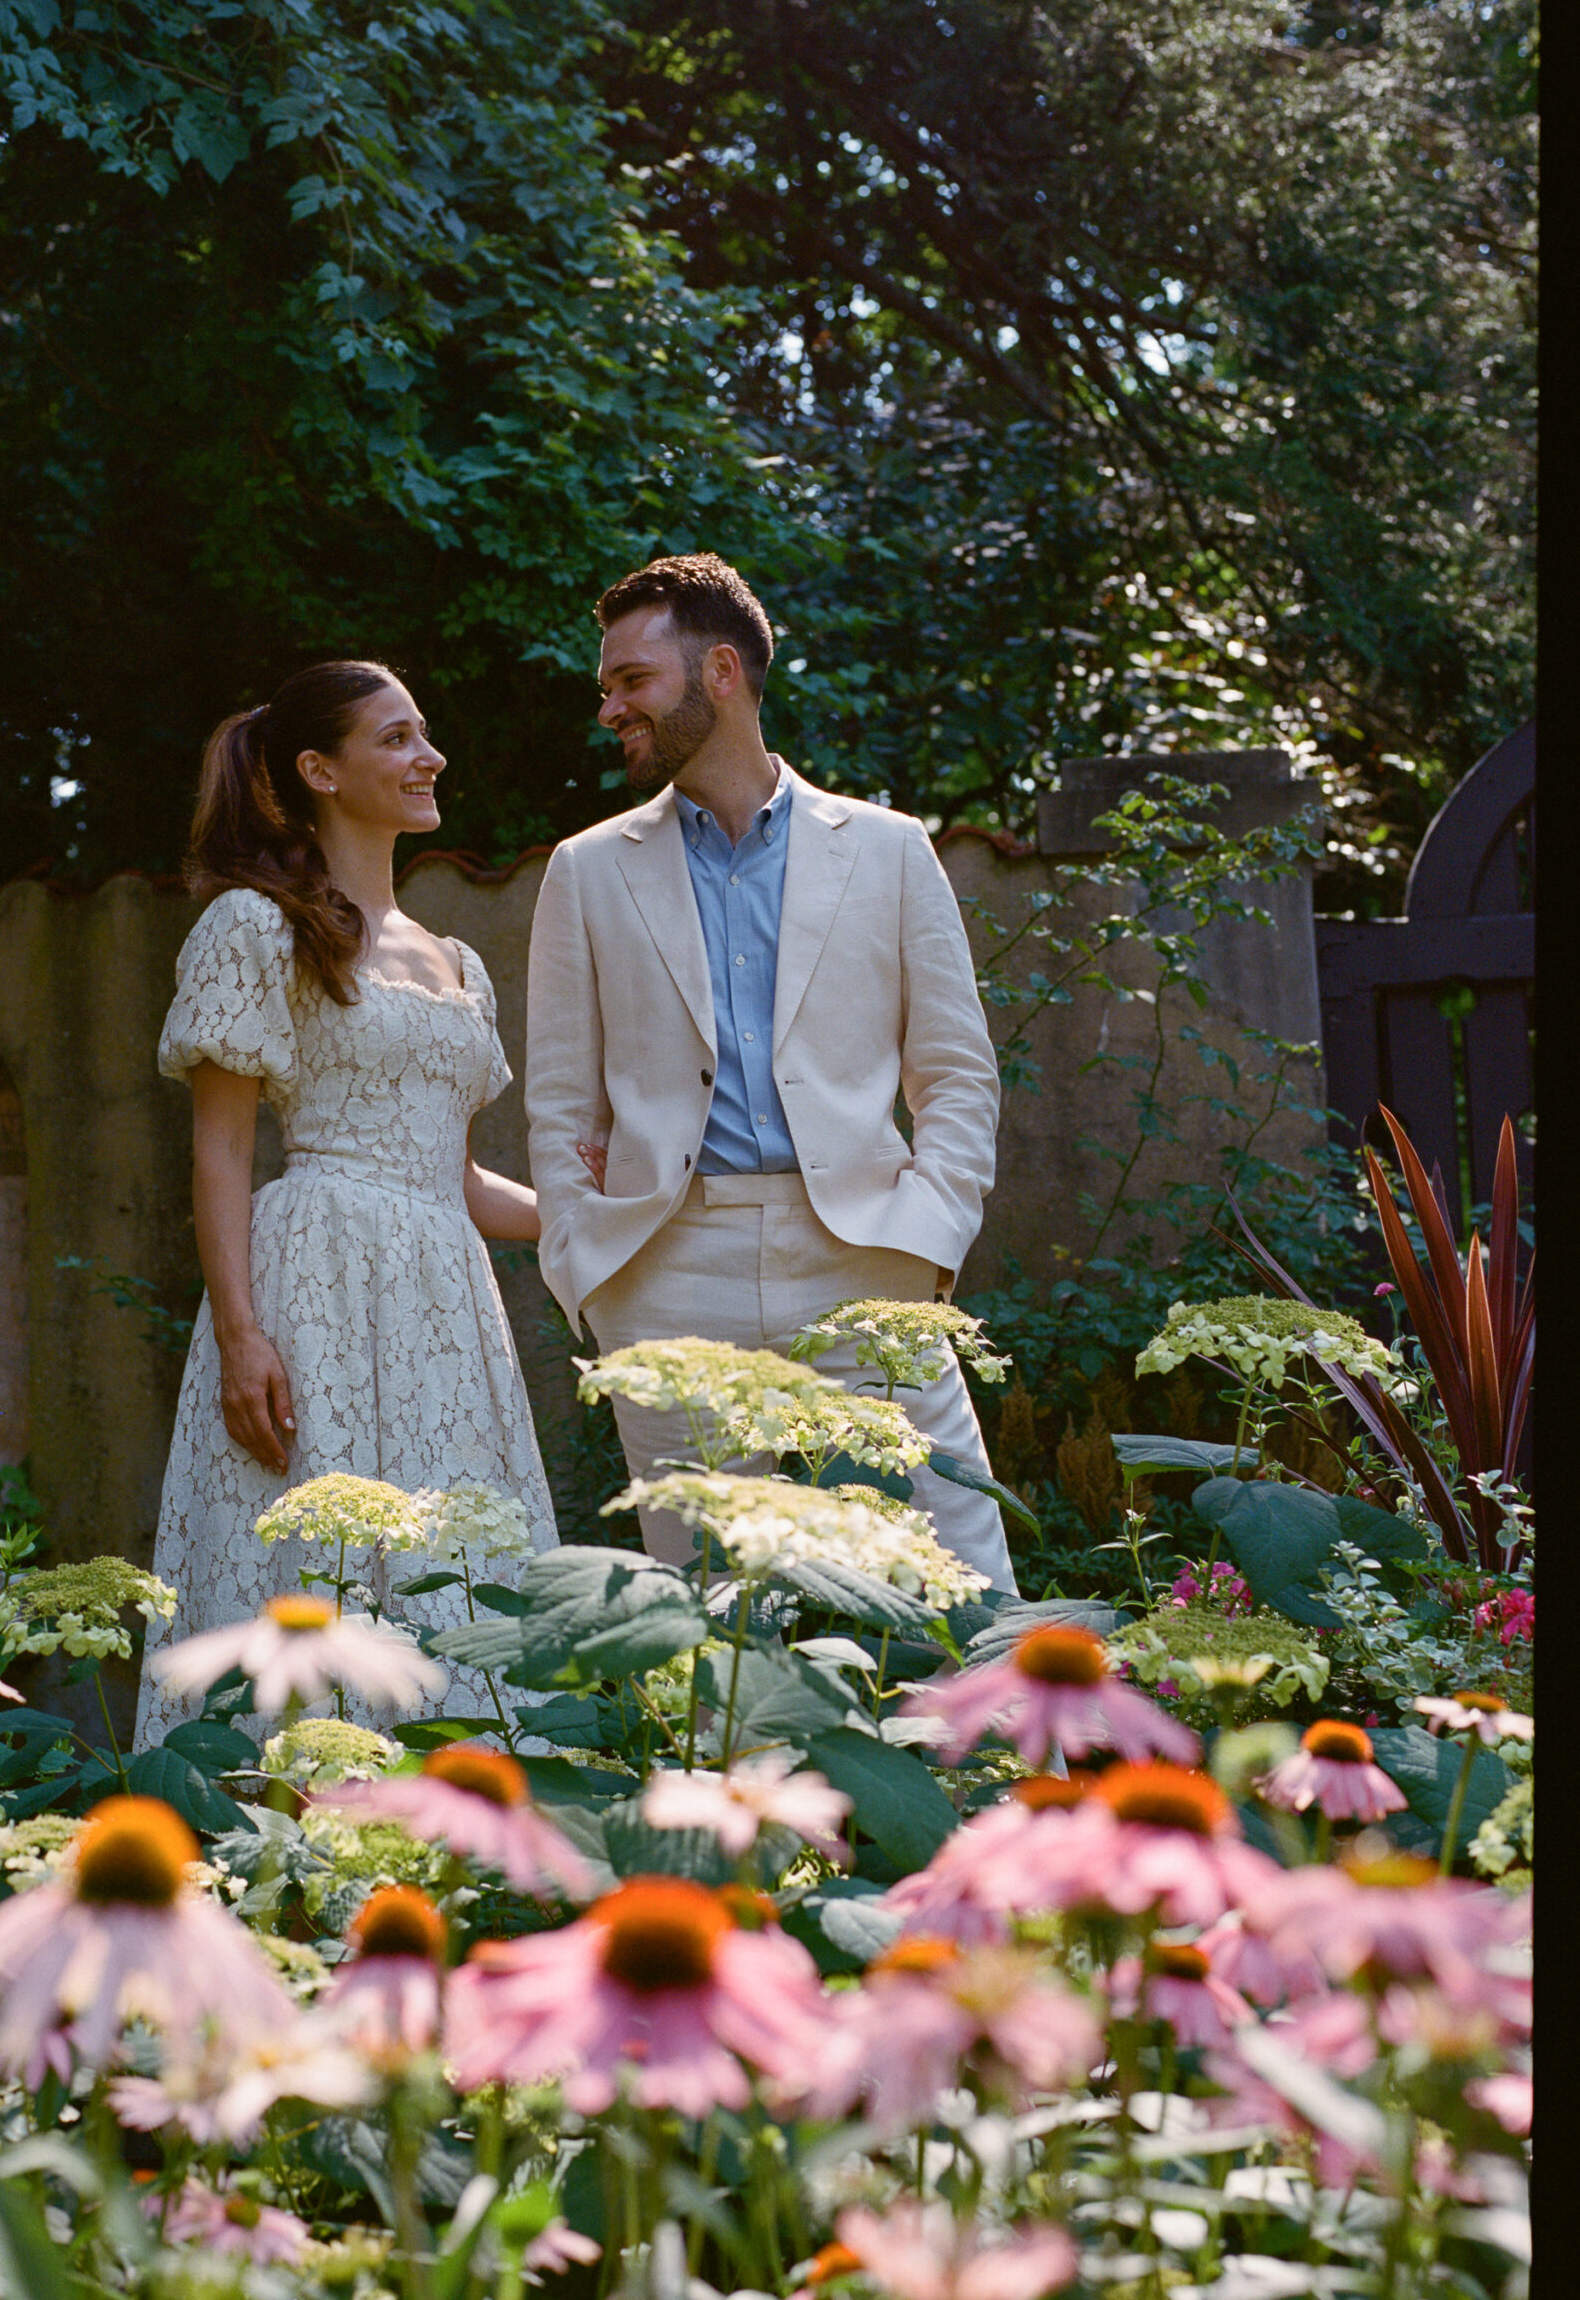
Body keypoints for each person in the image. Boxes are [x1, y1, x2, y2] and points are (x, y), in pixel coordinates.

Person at [524, 552, 1017, 1591]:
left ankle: (992, 1764)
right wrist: (592, 1269)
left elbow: (957, 1073)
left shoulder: (887, 851)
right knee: (711, 1620)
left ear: (719, 674)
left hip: (864, 1262)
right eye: (607, 684)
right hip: (667, 1269)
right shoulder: (587, 869)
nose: (609, 704)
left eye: (630, 681)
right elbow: (560, 1097)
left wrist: (929, 1236)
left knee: (954, 1579)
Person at [133, 662, 582, 1743]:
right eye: (397, 738)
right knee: (309, 1567)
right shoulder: (256, 926)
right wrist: (243, 1335)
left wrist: (599, 1219)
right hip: (314, 1285)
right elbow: (223, 1154)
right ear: (319, 771)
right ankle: (281, 1853)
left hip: (445, 1307)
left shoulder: (457, 963)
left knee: (449, 1567)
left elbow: (461, 1183)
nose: (429, 757)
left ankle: (452, 1864)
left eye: (425, 736)